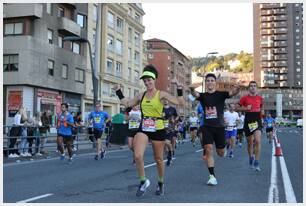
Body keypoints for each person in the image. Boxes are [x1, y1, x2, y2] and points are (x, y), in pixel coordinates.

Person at [115, 64, 184, 196]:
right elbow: (128, 103)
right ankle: (143, 181)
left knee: (158, 159)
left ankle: (161, 182)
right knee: (137, 155)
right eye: (145, 81)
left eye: (149, 80)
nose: (147, 83)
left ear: (154, 80)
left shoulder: (161, 94)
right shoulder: (141, 95)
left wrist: (179, 87)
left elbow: (179, 102)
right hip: (144, 127)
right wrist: (118, 91)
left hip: (158, 128)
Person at [189, 73, 240, 186]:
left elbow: (233, 93)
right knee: (208, 149)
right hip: (207, 127)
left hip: (220, 127)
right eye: (208, 81)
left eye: (212, 80)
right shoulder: (203, 96)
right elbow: (194, 93)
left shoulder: (221, 94)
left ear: (215, 83)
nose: (210, 82)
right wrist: (192, 88)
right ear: (206, 83)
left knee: (220, 153)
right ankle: (212, 176)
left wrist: (238, 88)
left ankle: (223, 149)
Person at [238, 81, 264, 171]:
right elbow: (237, 108)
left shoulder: (260, 98)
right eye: (251, 86)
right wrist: (245, 108)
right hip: (248, 121)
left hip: (257, 121)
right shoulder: (244, 98)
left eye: (254, 86)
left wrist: (262, 114)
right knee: (249, 143)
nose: (253, 87)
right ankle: (251, 157)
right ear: (249, 88)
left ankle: (257, 161)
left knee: (257, 141)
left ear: (257, 88)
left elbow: (262, 108)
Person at [163, 100, 179, 166]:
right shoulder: (160, 108)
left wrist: (174, 120)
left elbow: (177, 116)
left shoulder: (172, 109)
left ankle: (170, 154)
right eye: (163, 99)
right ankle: (168, 153)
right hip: (160, 127)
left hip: (170, 128)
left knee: (167, 142)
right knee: (163, 144)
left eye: (166, 99)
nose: (165, 101)